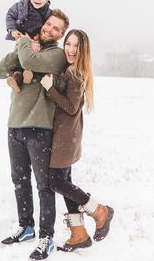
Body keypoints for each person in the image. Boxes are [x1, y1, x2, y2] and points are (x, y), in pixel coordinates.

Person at [0, 9, 69, 260]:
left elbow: (29, 62)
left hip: (40, 129)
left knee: (44, 186)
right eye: (48, 24)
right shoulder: (27, 48)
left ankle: (45, 236)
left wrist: (23, 39)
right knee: (19, 179)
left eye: (56, 28)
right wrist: (22, 45)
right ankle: (25, 226)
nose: (49, 29)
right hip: (15, 125)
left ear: (61, 34)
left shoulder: (57, 55)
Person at [40, 29, 114, 252]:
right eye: (68, 44)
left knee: (57, 183)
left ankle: (100, 211)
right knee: (66, 183)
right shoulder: (72, 70)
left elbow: (71, 107)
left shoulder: (75, 73)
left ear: (83, 50)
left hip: (65, 136)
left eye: (76, 46)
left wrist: (49, 89)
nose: (71, 49)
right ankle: (79, 234)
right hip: (66, 134)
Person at [5, 0, 52, 92]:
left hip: (36, 40)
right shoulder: (20, 6)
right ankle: (16, 77)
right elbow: (10, 16)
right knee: (19, 56)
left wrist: (39, 37)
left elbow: (48, 26)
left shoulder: (47, 12)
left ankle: (28, 73)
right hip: (21, 36)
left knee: (32, 56)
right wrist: (13, 30)